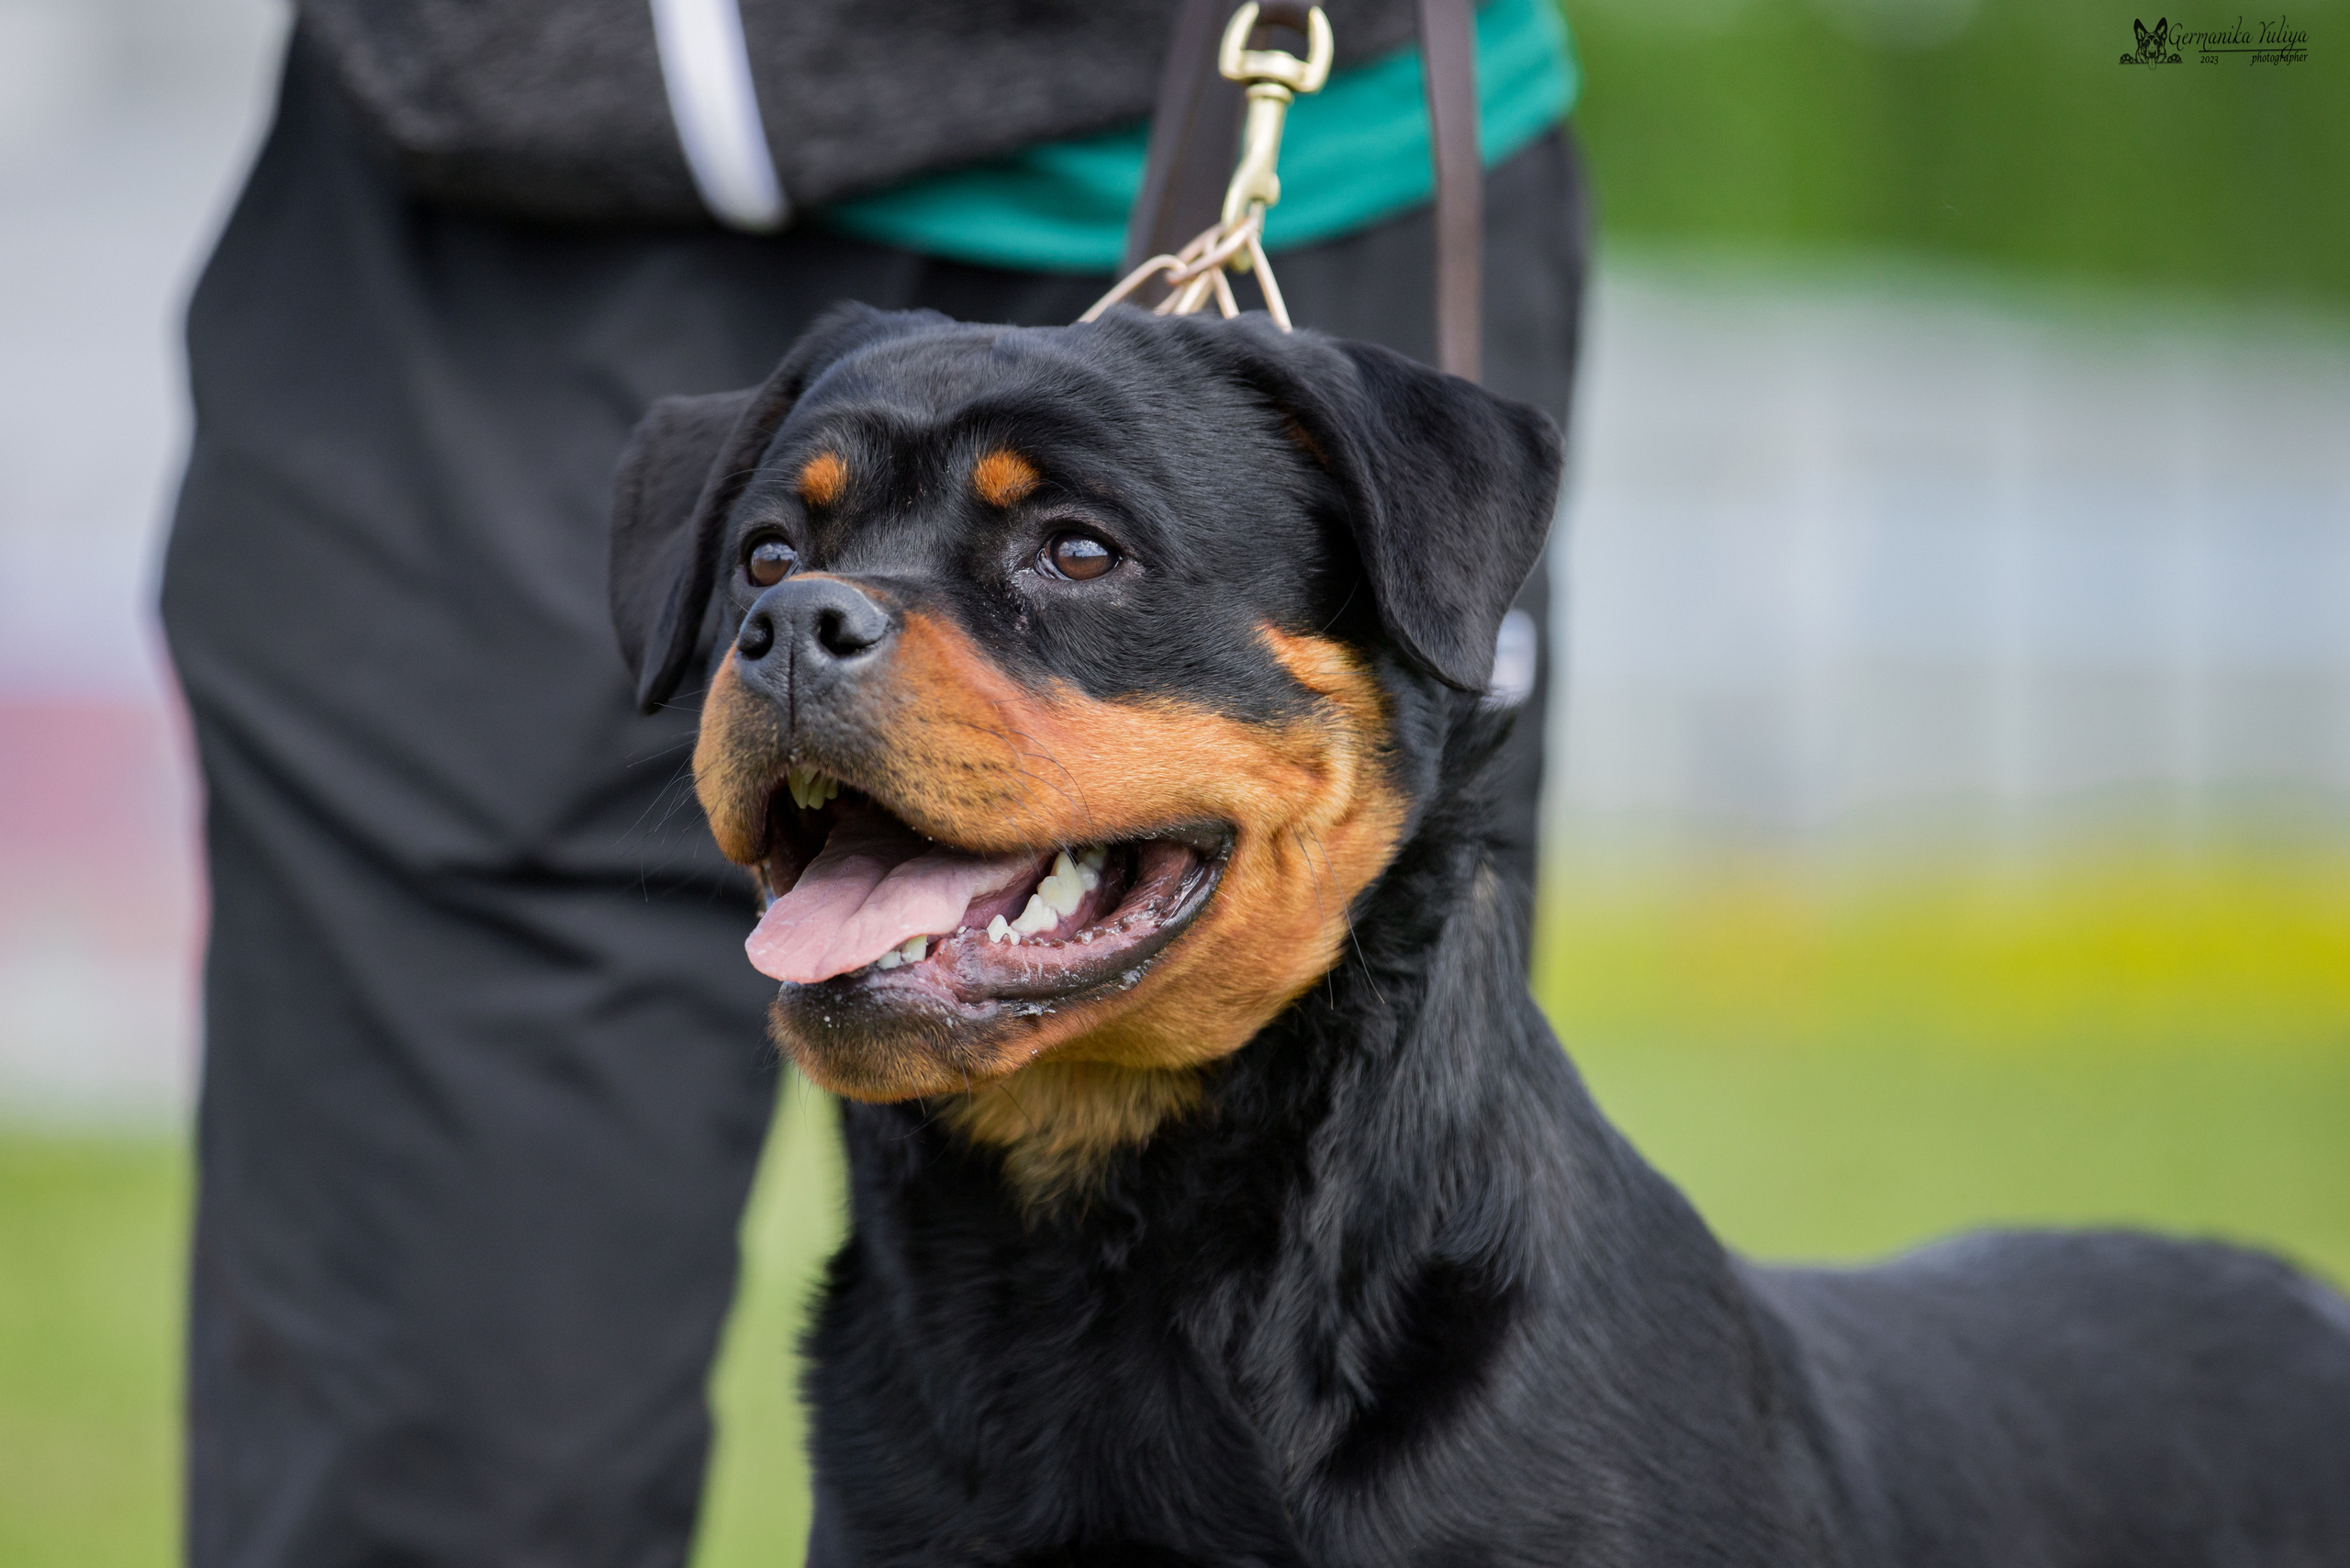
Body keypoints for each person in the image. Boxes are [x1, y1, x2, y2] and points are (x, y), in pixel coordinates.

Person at [158, 2, 1589, 1562]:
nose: (800, 618)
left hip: (1306, 134)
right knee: (436, 1442)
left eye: (1073, 550)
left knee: (1386, 1427)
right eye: (772, 567)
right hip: (507, 208)